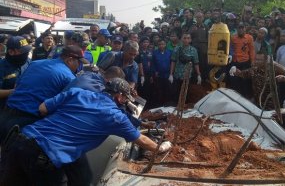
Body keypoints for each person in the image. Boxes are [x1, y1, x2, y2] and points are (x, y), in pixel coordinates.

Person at [0, 78, 172, 186]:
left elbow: (42, 108)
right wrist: (161, 147)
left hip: (19, 141)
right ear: (120, 96)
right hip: (45, 157)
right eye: (125, 99)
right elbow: (140, 139)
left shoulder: (77, 93)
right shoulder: (115, 116)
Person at [0, 45, 86, 143]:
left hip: (5, 113)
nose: (79, 65)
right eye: (79, 62)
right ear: (70, 60)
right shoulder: (69, 77)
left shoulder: (35, 63)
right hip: (27, 122)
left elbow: (17, 85)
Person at [0, 36, 32, 109]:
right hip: (4, 110)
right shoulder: (1, 66)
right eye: (22, 51)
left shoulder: (28, 62)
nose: (26, 53)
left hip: (24, 107)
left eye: (27, 50)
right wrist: (13, 91)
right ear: (11, 52)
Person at [169, 32, 202, 102]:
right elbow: (173, 61)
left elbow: (196, 63)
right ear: (181, 39)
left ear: (190, 40)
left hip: (188, 76)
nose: (186, 40)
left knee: (187, 94)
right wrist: (171, 74)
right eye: (184, 38)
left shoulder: (193, 50)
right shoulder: (176, 49)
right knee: (176, 94)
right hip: (177, 75)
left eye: (188, 38)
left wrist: (199, 75)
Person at [228, 22, 255, 99]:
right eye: (239, 28)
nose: (241, 29)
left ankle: (247, 97)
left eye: (242, 27)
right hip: (235, 62)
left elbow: (252, 50)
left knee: (246, 81)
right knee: (235, 80)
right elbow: (230, 49)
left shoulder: (249, 38)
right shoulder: (233, 38)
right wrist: (231, 56)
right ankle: (236, 97)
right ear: (237, 29)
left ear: (245, 29)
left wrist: (252, 61)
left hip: (246, 62)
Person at [152, 39, 172, 105]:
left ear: (165, 45)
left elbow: (172, 63)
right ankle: (160, 104)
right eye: (160, 44)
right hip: (159, 75)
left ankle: (167, 104)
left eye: (163, 44)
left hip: (167, 75)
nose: (161, 46)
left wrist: (171, 74)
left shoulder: (169, 52)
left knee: (168, 90)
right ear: (157, 45)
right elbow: (153, 63)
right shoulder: (154, 53)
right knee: (159, 90)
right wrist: (155, 71)